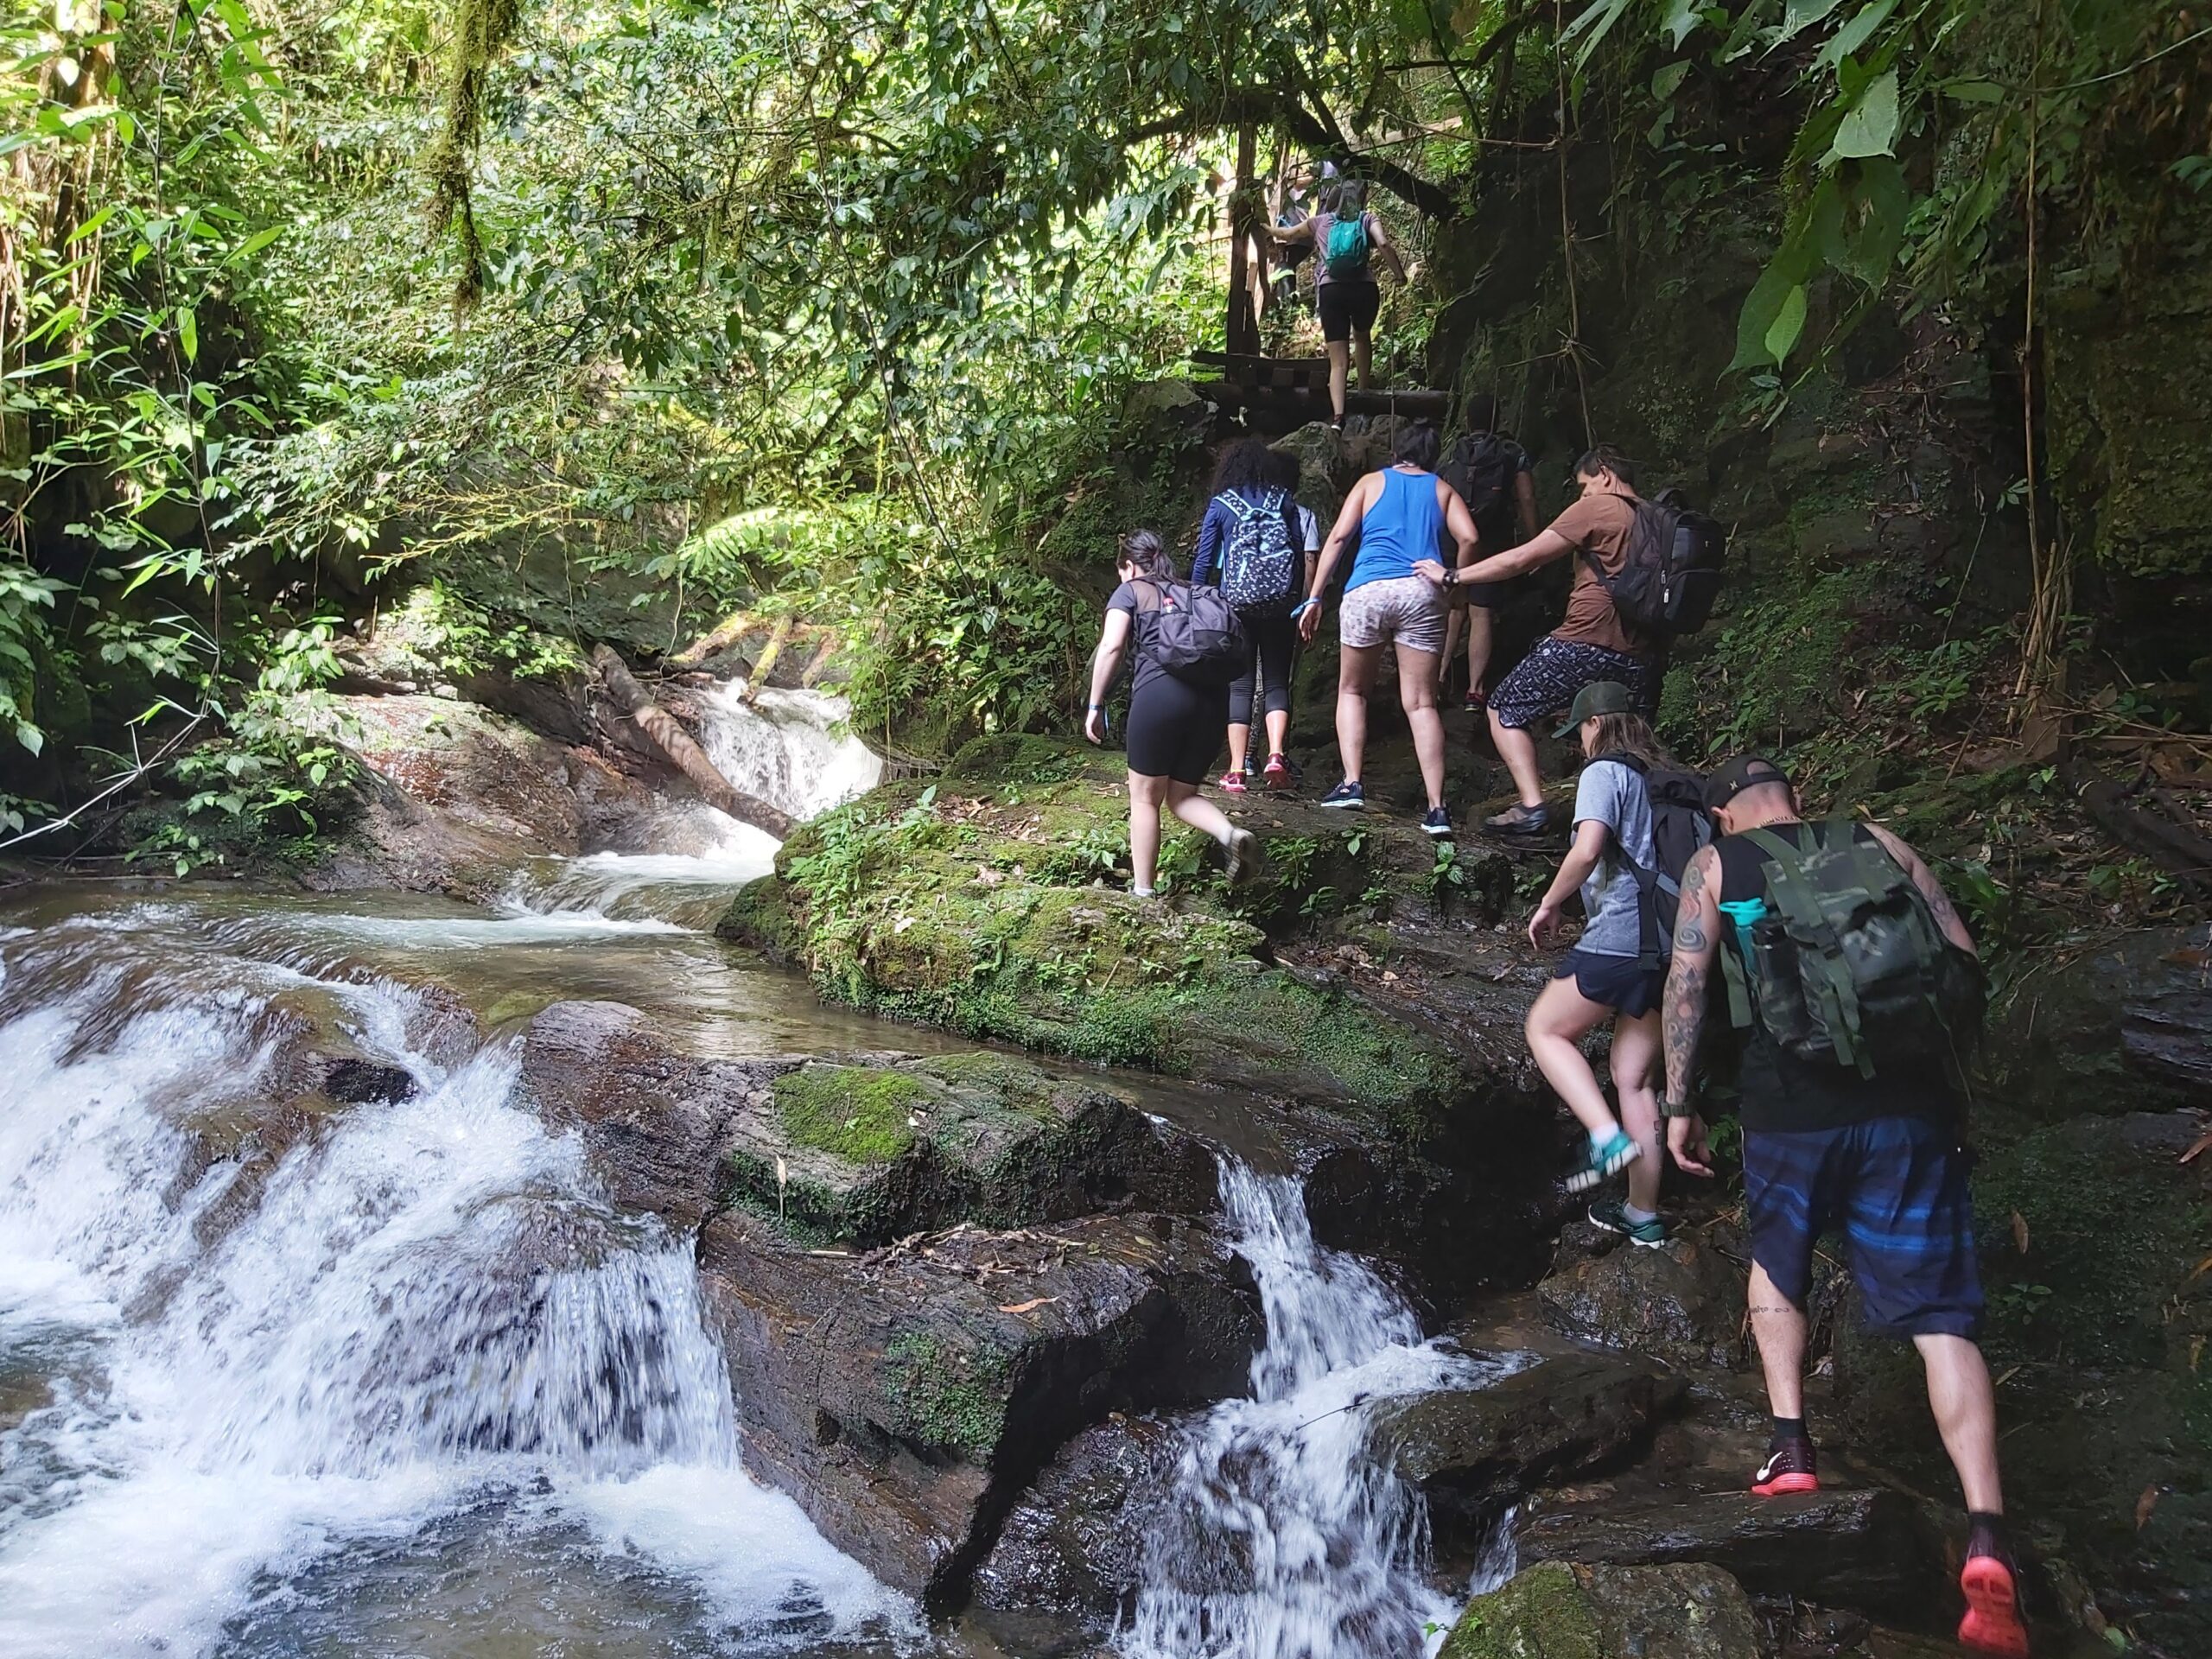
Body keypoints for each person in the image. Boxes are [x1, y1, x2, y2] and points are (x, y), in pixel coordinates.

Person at [1657, 755, 2028, 1659]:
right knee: (1943, 1320)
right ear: (1794, 796)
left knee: (1776, 1264)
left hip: (1790, 1114)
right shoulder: (1882, 843)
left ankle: (1791, 1451)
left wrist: (1678, 1104)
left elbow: (1686, 987)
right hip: (1906, 1113)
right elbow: (1961, 965)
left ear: (1721, 813)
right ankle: (1987, 1533)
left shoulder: (1716, 868)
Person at [1416, 445, 1659, 837]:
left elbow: (1522, 559)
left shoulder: (1598, 508)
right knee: (1626, 734)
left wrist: (1453, 577)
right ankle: (1628, 818)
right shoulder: (1655, 517)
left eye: (1584, 486)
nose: (1582, 496)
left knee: (1505, 707)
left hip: (1585, 639)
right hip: (1644, 652)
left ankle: (1533, 807)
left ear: (1606, 474)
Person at [1522, 682, 1675, 1219]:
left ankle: (1606, 1137)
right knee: (1635, 1080)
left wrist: (1549, 903)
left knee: (1545, 1028)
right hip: (1678, 944)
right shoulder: (1672, 782)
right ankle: (1643, 1215)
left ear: (1594, 726)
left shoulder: (1603, 773)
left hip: (1622, 938)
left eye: (1579, 732)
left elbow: (1588, 848)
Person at [1296, 421, 1475, 836]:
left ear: (1397, 452)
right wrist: (1453, 578)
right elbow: (1470, 536)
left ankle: (1352, 783)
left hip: (1369, 589)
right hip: (1422, 590)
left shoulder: (1370, 482)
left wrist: (1315, 596)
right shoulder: (1443, 489)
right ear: (1432, 457)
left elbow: (1339, 538)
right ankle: (1437, 810)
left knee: (1352, 690)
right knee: (1422, 704)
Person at [1084, 531, 1263, 898]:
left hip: (1160, 696)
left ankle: (1143, 893)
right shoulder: (1197, 592)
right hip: (1214, 702)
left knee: (1145, 798)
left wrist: (1095, 704)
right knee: (1182, 795)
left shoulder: (1132, 590)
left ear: (1130, 566)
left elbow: (1113, 645)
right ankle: (1230, 834)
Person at [1191, 439, 1311, 793]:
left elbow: (1203, 561)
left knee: (1240, 685)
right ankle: (1275, 755)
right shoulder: (1283, 500)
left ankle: (1237, 769)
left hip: (1238, 605)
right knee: (1275, 681)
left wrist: (1196, 604)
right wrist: (1296, 600)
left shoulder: (1221, 505)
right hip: (1280, 605)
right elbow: (1299, 554)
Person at [1264, 178, 1408, 427]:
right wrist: (1399, 274)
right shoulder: (1366, 218)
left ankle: (1339, 417)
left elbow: (1286, 234)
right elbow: (1383, 243)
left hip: (1331, 291)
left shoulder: (1320, 221)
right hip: (1364, 288)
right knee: (1362, 337)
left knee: (1338, 361)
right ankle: (1363, 395)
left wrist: (1265, 227)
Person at [1434, 395, 1538, 714]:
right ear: (1498, 420)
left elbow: (1438, 493)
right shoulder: (1511, 453)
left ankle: (1437, 678)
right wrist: (1535, 541)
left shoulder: (1453, 451)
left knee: (1453, 609)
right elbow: (1526, 498)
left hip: (1454, 536)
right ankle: (1475, 691)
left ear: (1467, 421)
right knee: (1481, 612)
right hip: (1492, 539)